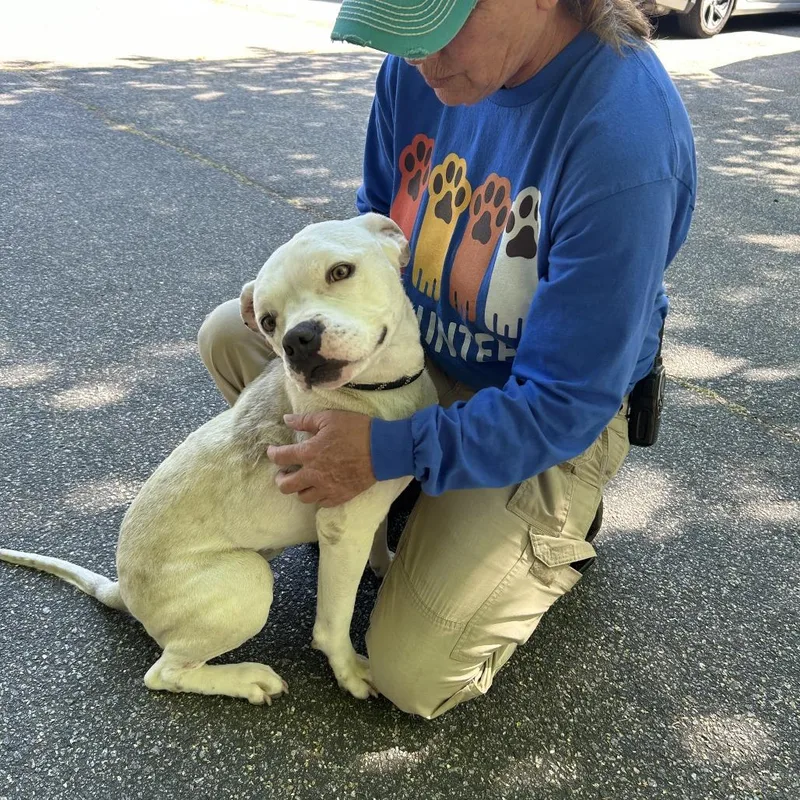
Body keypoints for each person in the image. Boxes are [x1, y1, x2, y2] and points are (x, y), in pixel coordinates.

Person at [198, 0, 696, 718]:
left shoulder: (623, 141)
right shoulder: (419, 71)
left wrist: (384, 448)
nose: (420, 60)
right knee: (231, 334)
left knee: (410, 673)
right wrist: (303, 305)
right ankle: (406, 496)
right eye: (402, 28)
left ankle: (547, 522)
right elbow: (373, 227)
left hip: (542, 407)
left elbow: (564, 401)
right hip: (416, 347)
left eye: (438, 23)